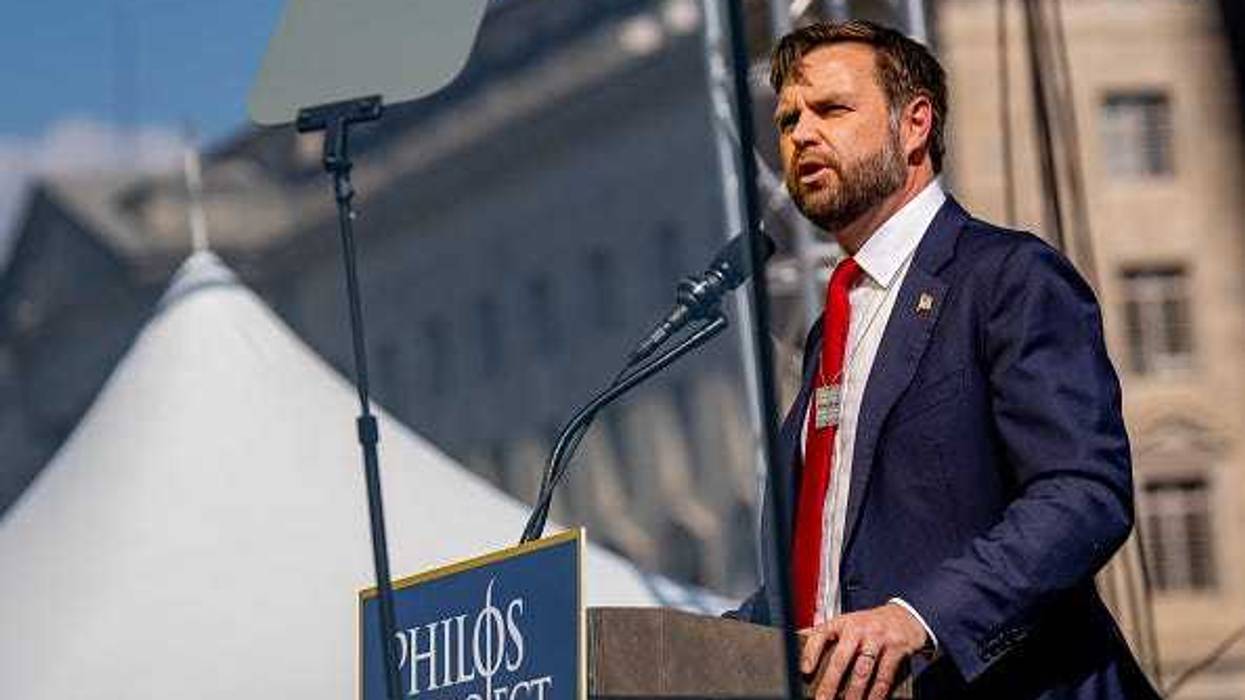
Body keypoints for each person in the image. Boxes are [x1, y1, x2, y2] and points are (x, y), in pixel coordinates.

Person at [727, 20, 1160, 700]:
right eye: (786, 120)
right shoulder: (832, 328)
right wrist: (698, 645)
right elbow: (828, 572)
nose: (800, 135)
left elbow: (1082, 493)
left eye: (830, 109)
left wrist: (918, 618)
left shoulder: (1005, 278)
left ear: (915, 124)